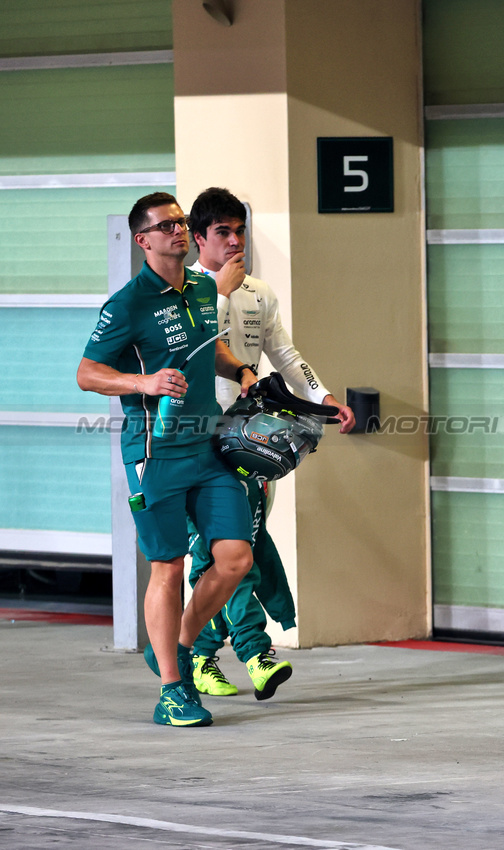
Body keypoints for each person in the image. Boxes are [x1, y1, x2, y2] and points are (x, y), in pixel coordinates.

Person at [77, 192, 260, 727]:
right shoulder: (126, 304)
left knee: (234, 559)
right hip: (154, 452)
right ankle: (172, 690)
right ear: (144, 239)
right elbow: (88, 373)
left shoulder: (203, 286)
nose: (180, 230)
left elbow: (212, 348)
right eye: (168, 225)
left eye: (182, 222)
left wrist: (241, 371)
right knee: (168, 566)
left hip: (207, 447)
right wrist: (143, 381)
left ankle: (177, 644)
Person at [181, 186, 354, 700]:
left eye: (240, 232)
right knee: (223, 550)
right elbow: (190, 354)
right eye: (223, 233)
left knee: (239, 547)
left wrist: (323, 399)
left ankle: (199, 657)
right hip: (197, 438)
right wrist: (218, 291)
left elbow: (284, 353)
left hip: (254, 436)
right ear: (198, 239)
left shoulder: (260, 293)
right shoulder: (185, 294)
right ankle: (255, 653)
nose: (235, 242)